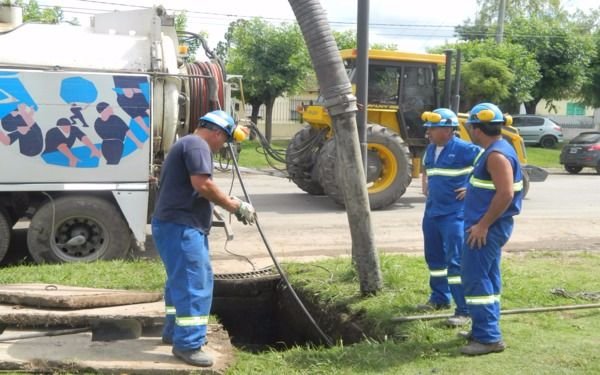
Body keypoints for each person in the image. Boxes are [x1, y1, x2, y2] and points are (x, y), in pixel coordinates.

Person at [151, 109, 255, 367]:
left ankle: (174, 332)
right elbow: (203, 185)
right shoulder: (198, 146)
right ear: (217, 132)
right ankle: (188, 344)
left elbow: (194, 189)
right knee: (195, 284)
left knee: (180, 282)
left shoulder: (186, 143)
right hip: (181, 227)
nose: (224, 147)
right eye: (226, 140)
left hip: (172, 224)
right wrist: (236, 207)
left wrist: (229, 202)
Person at [459, 102, 524, 356]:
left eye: (471, 126)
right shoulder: (495, 149)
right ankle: (483, 328)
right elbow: (492, 187)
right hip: (487, 226)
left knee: (475, 278)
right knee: (488, 277)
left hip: (486, 229)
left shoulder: (496, 155)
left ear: (477, 129)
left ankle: (488, 338)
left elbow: (506, 193)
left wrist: (483, 225)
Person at [417, 108, 482, 328]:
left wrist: (470, 187)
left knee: (455, 262)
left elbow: (489, 164)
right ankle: (439, 298)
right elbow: (426, 169)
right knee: (434, 259)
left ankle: (463, 310)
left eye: (432, 129)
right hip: (432, 212)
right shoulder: (431, 149)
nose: (428, 133)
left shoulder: (465, 149)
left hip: (454, 215)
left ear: (448, 129)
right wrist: (425, 183)